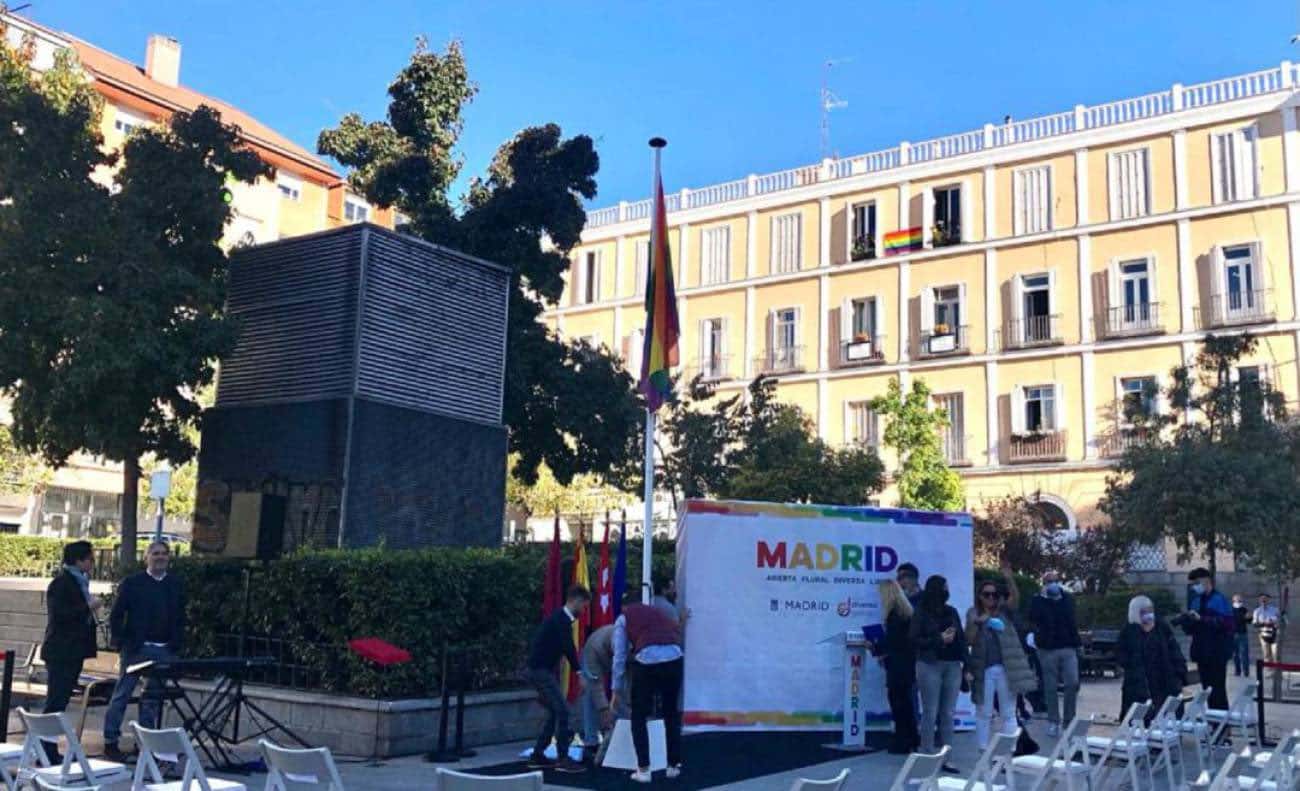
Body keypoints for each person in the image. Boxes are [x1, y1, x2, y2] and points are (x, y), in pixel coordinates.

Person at [103, 541, 184, 762]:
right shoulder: (132, 583)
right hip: (136, 649)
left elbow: (180, 615)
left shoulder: (175, 584)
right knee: (122, 694)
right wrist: (119, 640)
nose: (160, 557)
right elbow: (117, 613)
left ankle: (145, 744)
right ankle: (111, 741)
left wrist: (176, 643)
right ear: (147, 557)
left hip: (163, 649)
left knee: (152, 699)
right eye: (155, 553)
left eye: (164, 554)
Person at [611, 596, 684, 784]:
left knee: (639, 715)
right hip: (674, 657)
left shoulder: (623, 618)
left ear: (623, 607)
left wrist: (616, 689)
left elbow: (619, 655)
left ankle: (644, 769)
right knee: (671, 712)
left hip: (647, 661)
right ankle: (673, 765)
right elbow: (674, 630)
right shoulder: (656, 612)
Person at [42, 541, 102, 761]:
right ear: (78, 560)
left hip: (73, 651)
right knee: (56, 701)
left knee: (61, 701)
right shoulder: (62, 583)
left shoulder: (80, 582)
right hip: (61, 652)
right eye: (90, 559)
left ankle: (47, 748)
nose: (92, 563)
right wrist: (88, 607)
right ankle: (46, 749)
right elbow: (61, 615)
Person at [965, 568, 1037, 749]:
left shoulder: (1004, 612)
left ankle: (1009, 750)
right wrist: (979, 622)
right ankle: (983, 749)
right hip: (984, 669)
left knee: (1009, 712)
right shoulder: (973, 613)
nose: (990, 598)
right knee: (984, 712)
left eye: (994, 594)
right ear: (979, 596)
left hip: (1006, 668)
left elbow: (1015, 599)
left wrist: (1009, 579)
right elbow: (969, 639)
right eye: (986, 594)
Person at [525, 584, 590, 773]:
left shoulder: (558, 619)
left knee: (555, 712)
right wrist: (579, 673)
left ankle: (538, 755)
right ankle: (563, 758)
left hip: (538, 669)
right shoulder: (561, 620)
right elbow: (568, 646)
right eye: (584, 606)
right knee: (563, 711)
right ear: (576, 601)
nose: (584, 611)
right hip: (541, 671)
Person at [910, 574, 965, 772]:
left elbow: (962, 638)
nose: (947, 591)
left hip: (952, 664)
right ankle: (926, 752)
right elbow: (914, 639)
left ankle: (946, 757)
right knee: (930, 711)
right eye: (944, 587)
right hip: (929, 663)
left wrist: (965, 664)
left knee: (948, 713)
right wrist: (939, 638)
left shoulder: (951, 611)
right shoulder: (921, 612)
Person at [1117, 595, 1186, 725]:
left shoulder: (1161, 628)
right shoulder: (1129, 631)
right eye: (1144, 611)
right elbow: (1123, 657)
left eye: (1150, 610)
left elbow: (1174, 650)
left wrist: (1178, 673)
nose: (1148, 614)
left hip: (1164, 680)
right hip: (1140, 684)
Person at [1028, 570, 1080, 737]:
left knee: (1072, 682)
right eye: (1049, 581)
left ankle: (1069, 720)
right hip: (1047, 648)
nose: (1053, 584)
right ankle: (1053, 720)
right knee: (1050, 686)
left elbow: (1070, 619)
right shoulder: (1038, 601)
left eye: (1055, 580)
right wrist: (1043, 600)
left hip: (1068, 646)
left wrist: (1078, 643)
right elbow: (1034, 617)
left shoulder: (1067, 599)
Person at [867, 580, 917, 754]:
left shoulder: (894, 616)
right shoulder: (907, 613)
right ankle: (911, 738)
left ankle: (902, 741)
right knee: (906, 703)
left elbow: (892, 643)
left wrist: (874, 646)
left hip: (897, 666)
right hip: (907, 664)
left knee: (898, 703)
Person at [1180, 567, 1235, 711]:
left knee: (1218, 689)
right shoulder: (1196, 601)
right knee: (1207, 689)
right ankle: (1212, 720)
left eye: (1196, 583)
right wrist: (1187, 621)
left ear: (1206, 581)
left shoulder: (1219, 600)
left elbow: (1227, 624)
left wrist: (1203, 619)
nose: (1194, 587)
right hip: (1201, 651)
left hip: (1217, 652)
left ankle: (1222, 724)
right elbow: (1192, 628)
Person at [579, 623, 628, 759]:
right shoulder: (593, 648)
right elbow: (595, 684)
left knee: (623, 697)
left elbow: (625, 680)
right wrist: (604, 709)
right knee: (590, 697)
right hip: (594, 656)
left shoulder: (629, 644)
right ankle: (591, 742)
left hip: (619, 657)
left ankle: (622, 736)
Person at [1254, 593, 1281, 665]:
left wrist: (1276, 622)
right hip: (1263, 633)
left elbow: (1281, 620)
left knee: (1275, 653)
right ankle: (1268, 671)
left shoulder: (1275, 609)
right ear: (1259, 600)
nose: (1263, 600)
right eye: (1262, 598)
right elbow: (1255, 624)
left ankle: (1276, 671)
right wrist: (1264, 623)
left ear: (1268, 599)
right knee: (1266, 654)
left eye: (1265, 598)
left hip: (1274, 633)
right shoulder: (1257, 611)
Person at [1232, 594, 1252, 677]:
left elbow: (1249, 621)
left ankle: (1246, 671)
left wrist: (1249, 617)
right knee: (1235, 654)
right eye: (1237, 599)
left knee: (1244, 653)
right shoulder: (1230, 610)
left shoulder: (1244, 609)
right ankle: (1237, 671)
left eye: (1240, 599)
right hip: (1233, 634)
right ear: (1234, 600)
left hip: (1243, 633)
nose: (1239, 601)